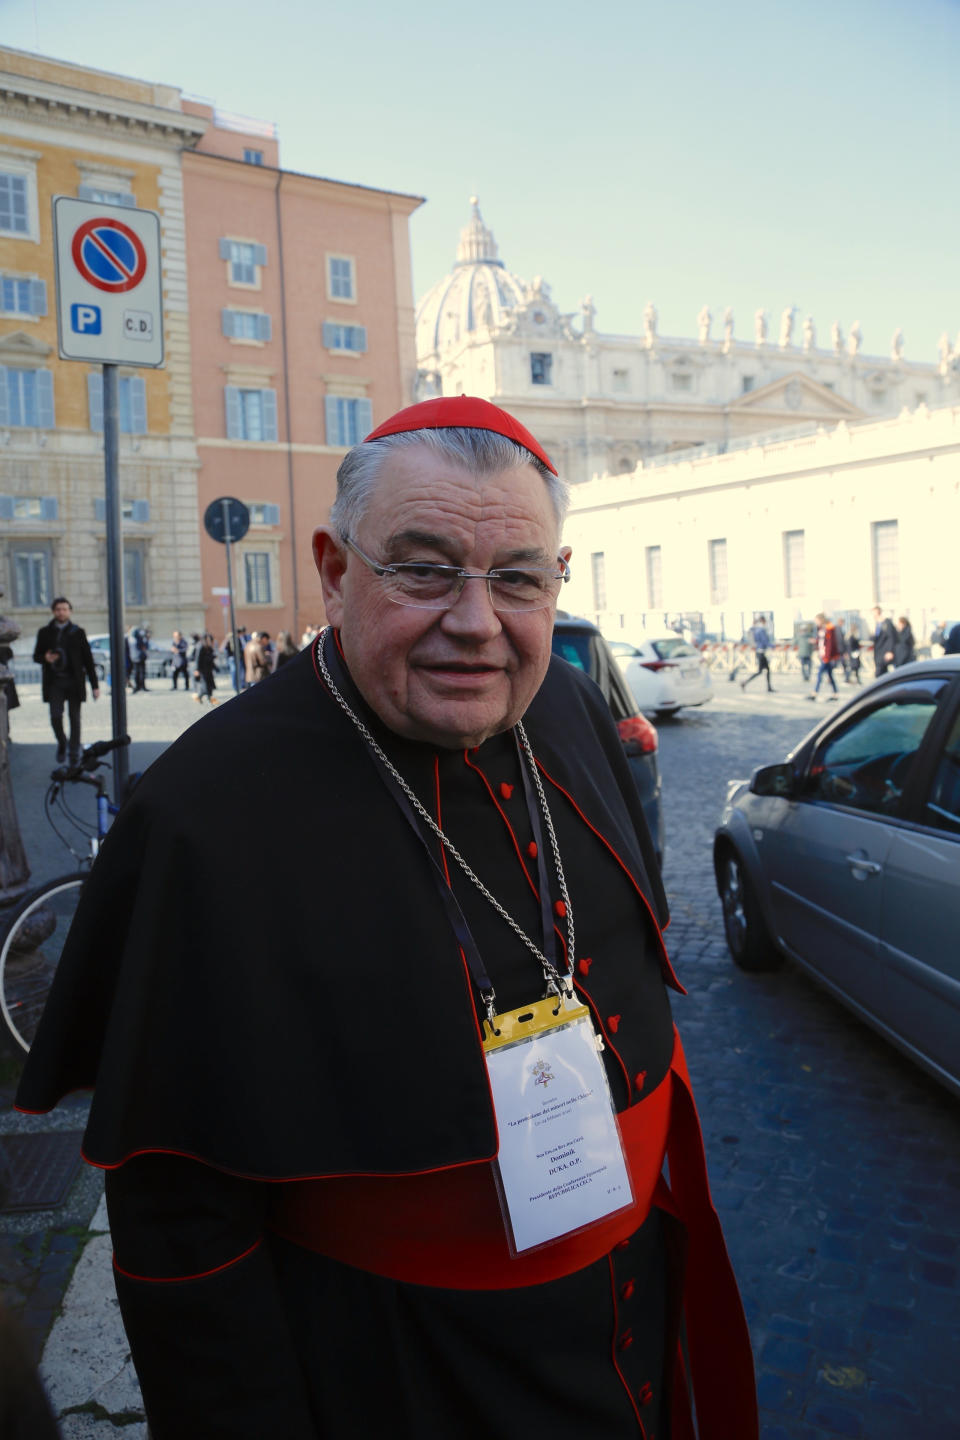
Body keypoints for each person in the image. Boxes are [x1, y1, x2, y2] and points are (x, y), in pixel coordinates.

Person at [16, 396, 757, 1440]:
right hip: (397, 1367)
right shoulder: (206, 811)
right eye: (421, 567)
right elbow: (183, 1225)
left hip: (635, 1303)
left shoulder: (568, 704)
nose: (476, 622)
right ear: (332, 569)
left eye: (517, 578)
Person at [32, 597, 100, 763]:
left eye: (64, 609)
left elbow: (88, 660)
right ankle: (63, 742)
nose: (61, 612)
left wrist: (95, 686)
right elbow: (36, 656)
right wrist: (45, 658)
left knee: (74, 718)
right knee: (55, 716)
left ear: (70, 611)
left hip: (75, 681)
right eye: (58, 609)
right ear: (54, 611)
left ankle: (74, 751)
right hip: (55, 681)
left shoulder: (78, 632)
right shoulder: (45, 632)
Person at [807, 612, 839, 701]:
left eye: (817, 621)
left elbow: (830, 644)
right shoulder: (821, 628)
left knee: (820, 674)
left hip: (826, 656)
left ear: (821, 620)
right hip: (823, 655)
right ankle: (835, 693)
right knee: (830, 675)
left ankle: (815, 693)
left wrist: (827, 656)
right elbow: (822, 640)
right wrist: (815, 641)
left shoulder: (829, 628)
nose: (816, 623)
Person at [740, 614, 774, 692]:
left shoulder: (756, 629)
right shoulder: (761, 630)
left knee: (767, 670)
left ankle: (769, 687)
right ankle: (744, 682)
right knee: (760, 671)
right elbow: (764, 641)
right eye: (765, 621)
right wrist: (773, 646)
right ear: (763, 621)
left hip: (759, 651)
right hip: (761, 652)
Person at [193, 633, 219, 705]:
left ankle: (199, 697)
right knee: (205, 685)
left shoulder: (209, 647)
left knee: (210, 684)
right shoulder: (200, 646)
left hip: (209, 669)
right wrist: (196, 670)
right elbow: (197, 659)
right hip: (202, 669)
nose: (209, 640)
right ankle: (209, 699)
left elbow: (210, 658)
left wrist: (216, 667)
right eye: (208, 639)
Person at [871, 606, 896, 677]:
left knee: (879, 673)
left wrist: (890, 651)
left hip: (884, 652)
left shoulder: (886, 623)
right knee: (882, 674)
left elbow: (891, 637)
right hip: (878, 652)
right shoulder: (877, 624)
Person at [132, 626, 150, 693]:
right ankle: (140, 686)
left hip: (135, 658)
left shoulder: (133, 639)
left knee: (138, 673)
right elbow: (144, 647)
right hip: (139, 657)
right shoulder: (139, 639)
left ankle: (139, 686)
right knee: (140, 673)